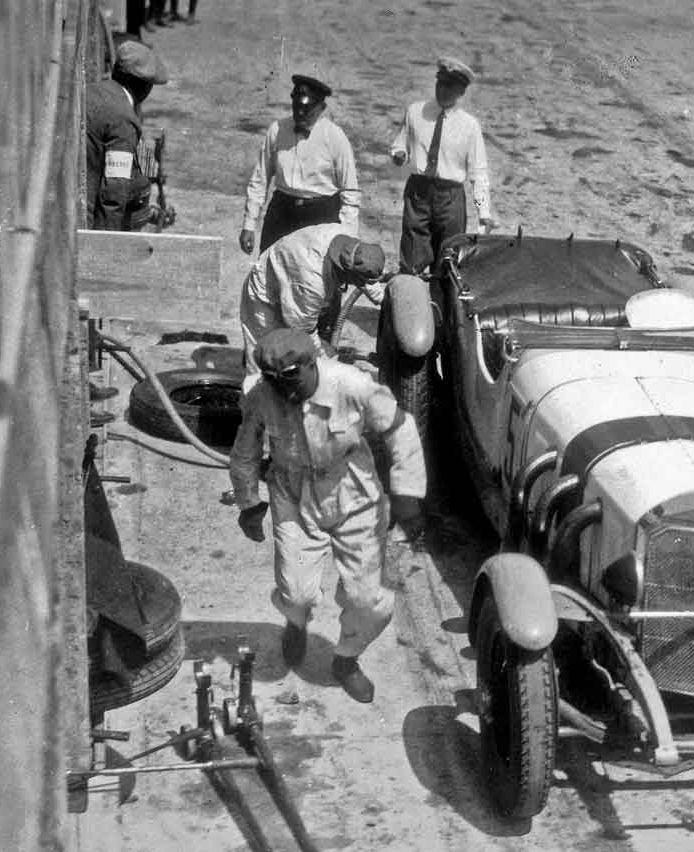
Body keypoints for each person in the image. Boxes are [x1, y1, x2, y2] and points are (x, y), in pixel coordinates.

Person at [229, 329, 426, 702]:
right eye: (273, 380)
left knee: (368, 601)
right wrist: (249, 503)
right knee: (297, 592)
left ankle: (347, 659)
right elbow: (245, 452)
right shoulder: (261, 396)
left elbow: (402, 429)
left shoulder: (352, 384)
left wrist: (408, 497)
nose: (283, 390)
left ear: (311, 363)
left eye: (290, 378)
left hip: (355, 498)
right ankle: (296, 622)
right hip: (293, 496)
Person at [238, 223, 385, 388]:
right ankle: (253, 402)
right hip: (264, 296)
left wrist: (382, 298)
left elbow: (364, 268)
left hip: (294, 289)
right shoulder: (312, 282)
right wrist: (328, 357)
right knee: (262, 360)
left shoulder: (347, 239)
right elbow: (303, 333)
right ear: (344, 272)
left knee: (293, 365)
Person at [389, 57, 494, 276]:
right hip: (418, 193)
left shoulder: (469, 126)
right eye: (440, 84)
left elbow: (478, 172)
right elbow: (401, 142)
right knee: (410, 262)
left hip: (450, 198)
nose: (443, 91)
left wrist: (483, 212)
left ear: (461, 92)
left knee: (448, 263)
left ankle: (442, 308)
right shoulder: (415, 112)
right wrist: (399, 153)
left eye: (450, 88)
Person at [239, 74, 360, 256]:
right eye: (297, 107)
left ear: (321, 108)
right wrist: (249, 224)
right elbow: (260, 179)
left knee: (311, 278)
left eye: (307, 109)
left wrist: (346, 237)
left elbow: (350, 191)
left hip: (320, 215)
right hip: (281, 211)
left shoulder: (334, 137)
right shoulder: (277, 130)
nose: (300, 113)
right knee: (267, 271)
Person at [86, 41, 168, 230]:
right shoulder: (123, 118)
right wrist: (108, 240)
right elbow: (114, 190)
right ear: (143, 86)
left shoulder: (95, 90)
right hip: (95, 214)